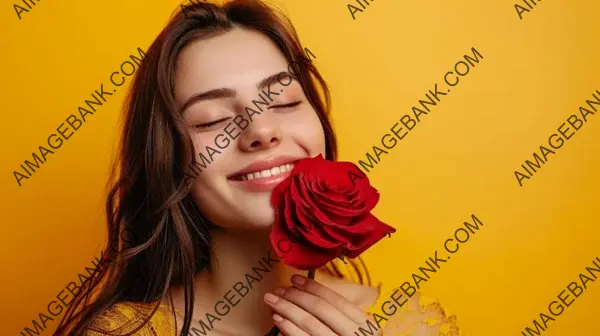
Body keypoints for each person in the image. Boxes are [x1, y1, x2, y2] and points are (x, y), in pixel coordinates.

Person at [55, 1, 460, 335]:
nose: (261, 131)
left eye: (284, 102)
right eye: (211, 119)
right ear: (169, 161)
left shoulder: (407, 325)